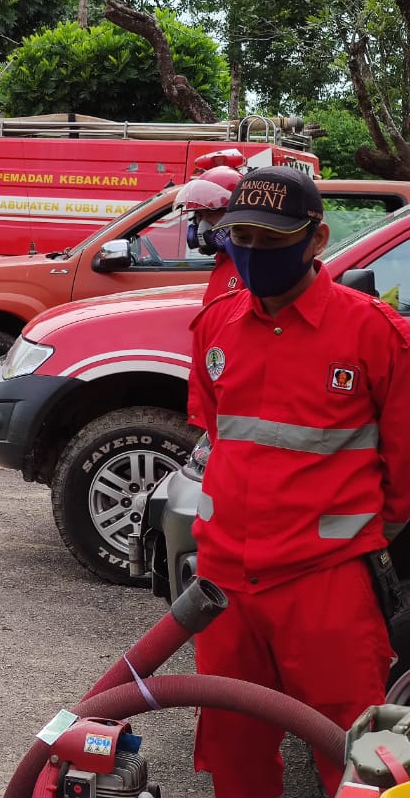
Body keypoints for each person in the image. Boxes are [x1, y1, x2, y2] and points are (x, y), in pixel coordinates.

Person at [187, 166, 410, 797]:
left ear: (317, 239)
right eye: (243, 237)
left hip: (329, 583)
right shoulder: (214, 327)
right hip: (225, 587)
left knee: (368, 760)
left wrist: (356, 540)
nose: (254, 252)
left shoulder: (375, 334)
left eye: (271, 238)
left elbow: (406, 469)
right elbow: (218, 436)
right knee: (232, 755)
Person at [172, 163, 243, 304]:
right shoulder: (222, 263)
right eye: (199, 215)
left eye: (211, 212)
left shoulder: (250, 267)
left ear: (236, 213)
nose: (202, 224)